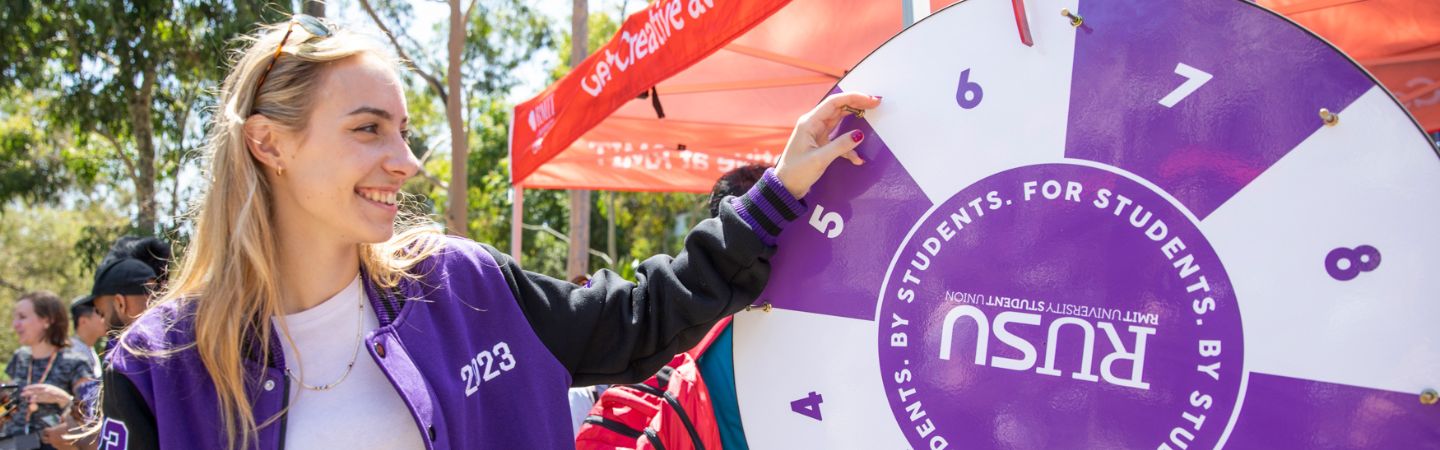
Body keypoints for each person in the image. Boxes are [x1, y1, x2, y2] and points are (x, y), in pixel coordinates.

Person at [97, 15, 877, 449]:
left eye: (404, 131)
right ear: (269, 144)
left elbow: (641, 321)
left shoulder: (460, 286)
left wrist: (777, 194)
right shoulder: (156, 367)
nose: (405, 162)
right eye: (368, 129)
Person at [3, 292, 95, 450]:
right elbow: (8, 408)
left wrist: (64, 399)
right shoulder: (20, 357)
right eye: (15, 318)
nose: (15, 324)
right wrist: (4, 405)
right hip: (11, 445)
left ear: (47, 320)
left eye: (22, 317)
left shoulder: (76, 362)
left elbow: (91, 413)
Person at [64, 299, 103, 379]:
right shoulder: (73, 352)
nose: (104, 319)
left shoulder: (88, 348)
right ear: (83, 321)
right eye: (100, 314)